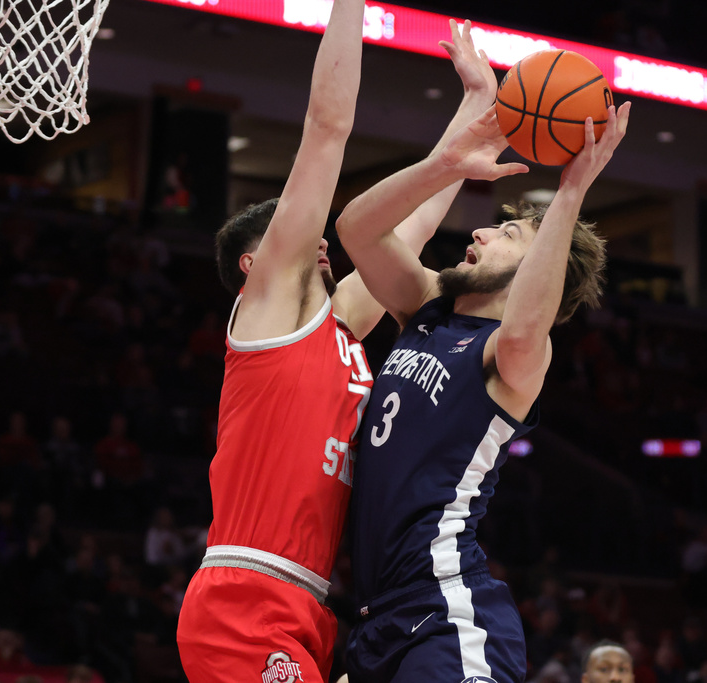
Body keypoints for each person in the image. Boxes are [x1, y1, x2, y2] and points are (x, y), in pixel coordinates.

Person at [174, 6, 501, 683]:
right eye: (289, 232)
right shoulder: (266, 313)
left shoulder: (341, 330)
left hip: (310, 602)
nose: (317, 237)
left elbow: (400, 237)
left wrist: (473, 110)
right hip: (246, 596)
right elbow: (327, 129)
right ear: (251, 266)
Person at [337, 84, 630, 680]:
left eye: (508, 236)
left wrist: (573, 188)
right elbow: (357, 229)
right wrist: (447, 162)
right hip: (375, 614)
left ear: (534, 270)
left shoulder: (511, 359)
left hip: (447, 612)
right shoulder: (428, 309)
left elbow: (527, 325)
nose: (481, 233)